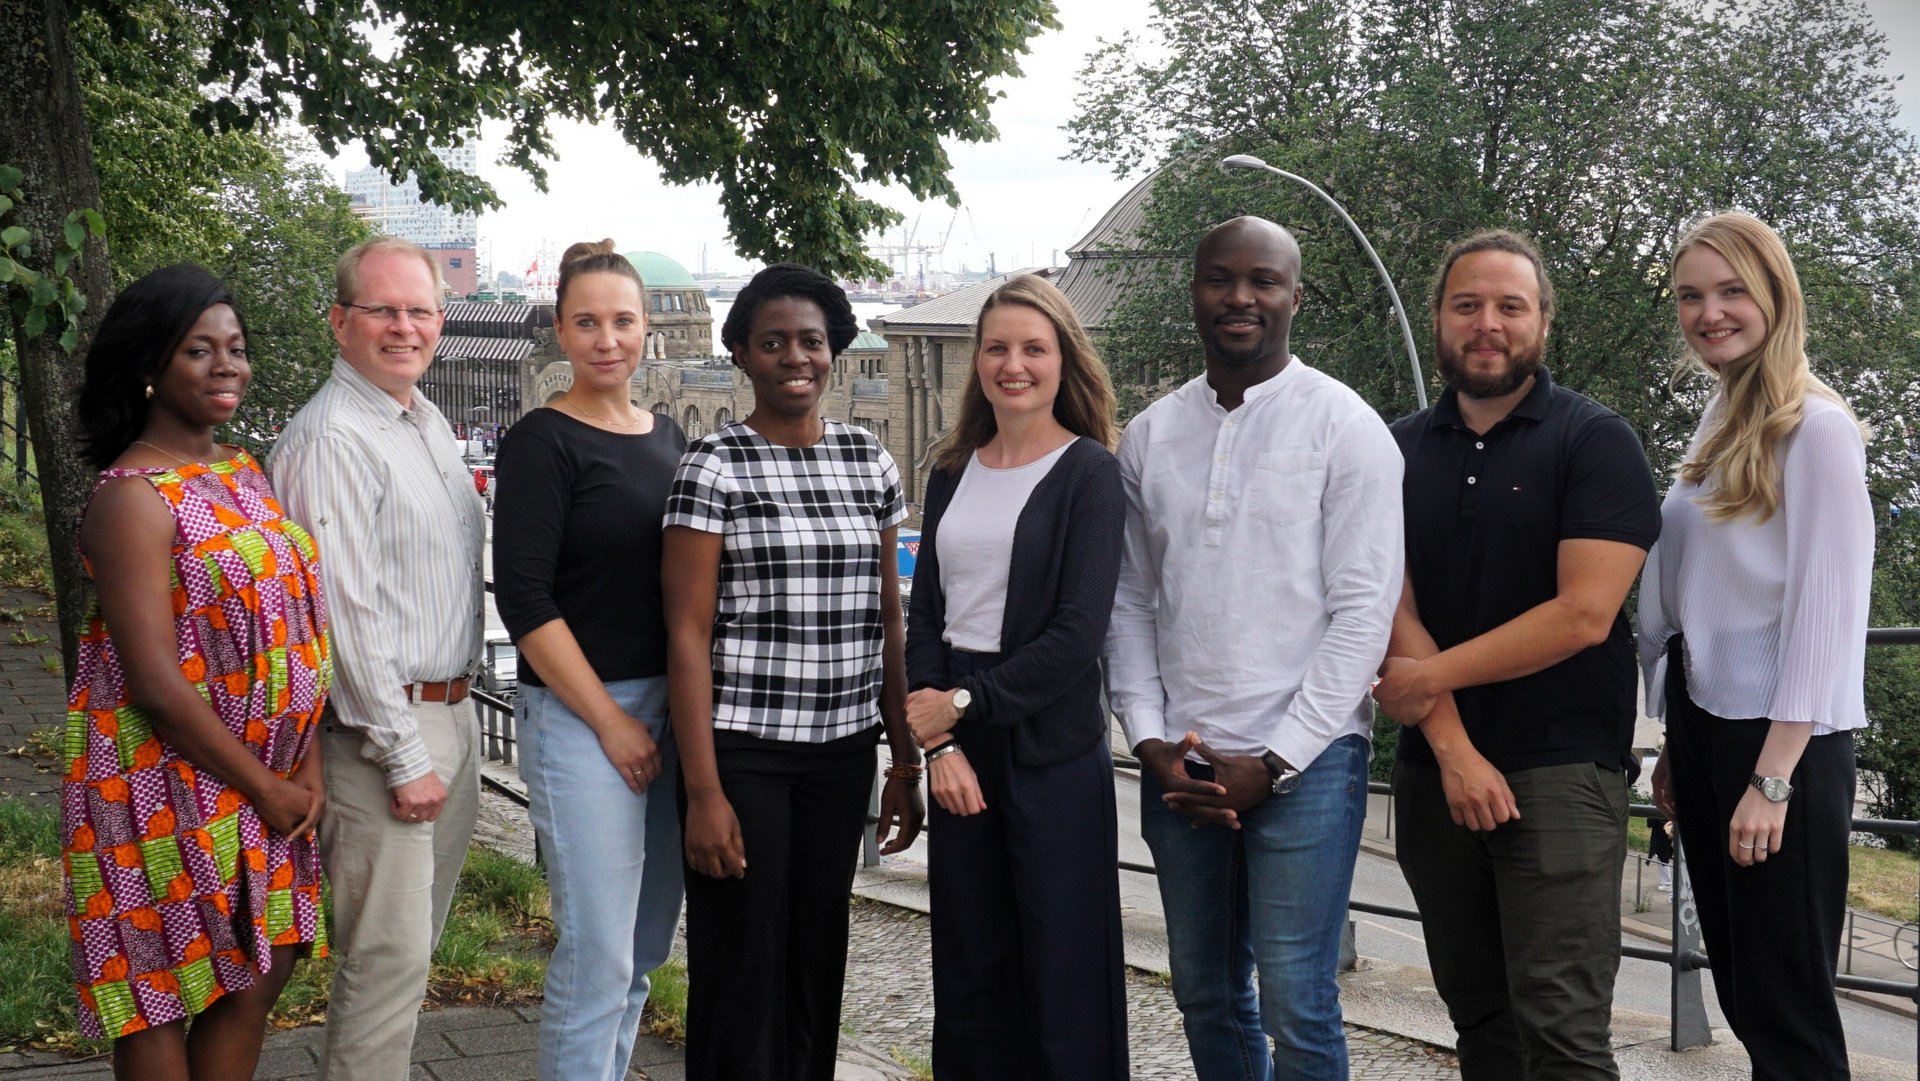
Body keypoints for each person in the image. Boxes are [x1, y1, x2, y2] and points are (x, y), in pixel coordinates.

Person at [1104, 216, 1404, 1081]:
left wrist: (1275, 762)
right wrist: (1153, 740)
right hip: (1182, 762)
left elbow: (1362, 613)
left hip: (1309, 762)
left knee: (1297, 1002)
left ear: (1295, 297)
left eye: (1263, 281)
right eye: (1220, 278)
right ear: (1193, 291)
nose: (1241, 297)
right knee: (1204, 993)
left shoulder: (1345, 427)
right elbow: (1129, 601)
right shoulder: (1152, 435)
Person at [1370, 229, 1661, 1080]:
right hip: (1436, 768)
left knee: (1563, 1031)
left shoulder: (1595, 441)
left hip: (1562, 768)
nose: (1486, 323)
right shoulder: (1391, 448)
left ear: (1542, 322)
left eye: (1509, 306)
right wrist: (1454, 749)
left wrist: (1429, 678)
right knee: (1481, 1022)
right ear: (1438, 320)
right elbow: (1387, 601)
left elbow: (1581, 613)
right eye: (1467, 305)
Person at [62, 264, 330, 1080]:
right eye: (198, 350)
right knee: (160, 986)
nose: (227, 366)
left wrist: (304, 759)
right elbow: (154, 682)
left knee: (255, 970)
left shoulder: (246, 474)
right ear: (150, 366)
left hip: (267, 775)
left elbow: (293, 627)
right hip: (162, 780)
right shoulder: (132, 498)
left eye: (237, 349)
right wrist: (268, 783)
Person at [661, 263, 925, 1081]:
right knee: (742, 965)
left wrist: (904, 760)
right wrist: (703, 793)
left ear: (836, 352)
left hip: (841, 755)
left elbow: (889, 620)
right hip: (744, 754)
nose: (794, 357)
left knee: (817, 959)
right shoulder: (713, 465)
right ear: (741, 353)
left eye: (811, 341)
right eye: (772, 342)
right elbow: (686, 633)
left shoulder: (867, 459)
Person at [1642, 212, 1871, 1080]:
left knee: (1789, 1011)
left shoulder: (1816, 429)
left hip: (1782, 744)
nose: (1710, 312)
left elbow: (1827, 611)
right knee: (1743, 987)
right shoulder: (1717, 422)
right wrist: (1674, 745)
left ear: (1776, 294)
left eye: (1732, 290)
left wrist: (1771, 778)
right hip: (1709, 728)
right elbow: (1698, 597)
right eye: (1692, 295)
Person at [271, 236, 487, 1081]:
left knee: (409, 953)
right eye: (383, 310)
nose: (404, 326)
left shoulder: (420, 419)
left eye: (420, 310)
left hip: (448, 713)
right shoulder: (332, 438)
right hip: (384, 730)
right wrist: (403, 753)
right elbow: (341, 614)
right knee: (384, 963)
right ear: (339, 321)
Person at [903, 274, 1128, 1079]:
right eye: (997, 347)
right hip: (961, 748)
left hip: (1050, 755)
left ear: (1064, 360)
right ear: (977, 361)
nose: (1014, 364)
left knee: (1066, 981)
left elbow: (1076, 635)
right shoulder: (952, 469)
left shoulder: (1090, 474)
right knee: (970, 973)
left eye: (1034, 348)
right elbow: (924, 613)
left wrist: (963, 706)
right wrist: (940, 747)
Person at [493, 240, 687, 1081]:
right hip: (583, 716)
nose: (607, 339)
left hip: (670, 715)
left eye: (622, 320)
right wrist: (610, 723)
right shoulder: (542, 441)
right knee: (598, 951)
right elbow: (526, 600)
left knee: (642, 948)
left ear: (648, 328)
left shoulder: (670, 433)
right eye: (587, 322)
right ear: (562, 332)